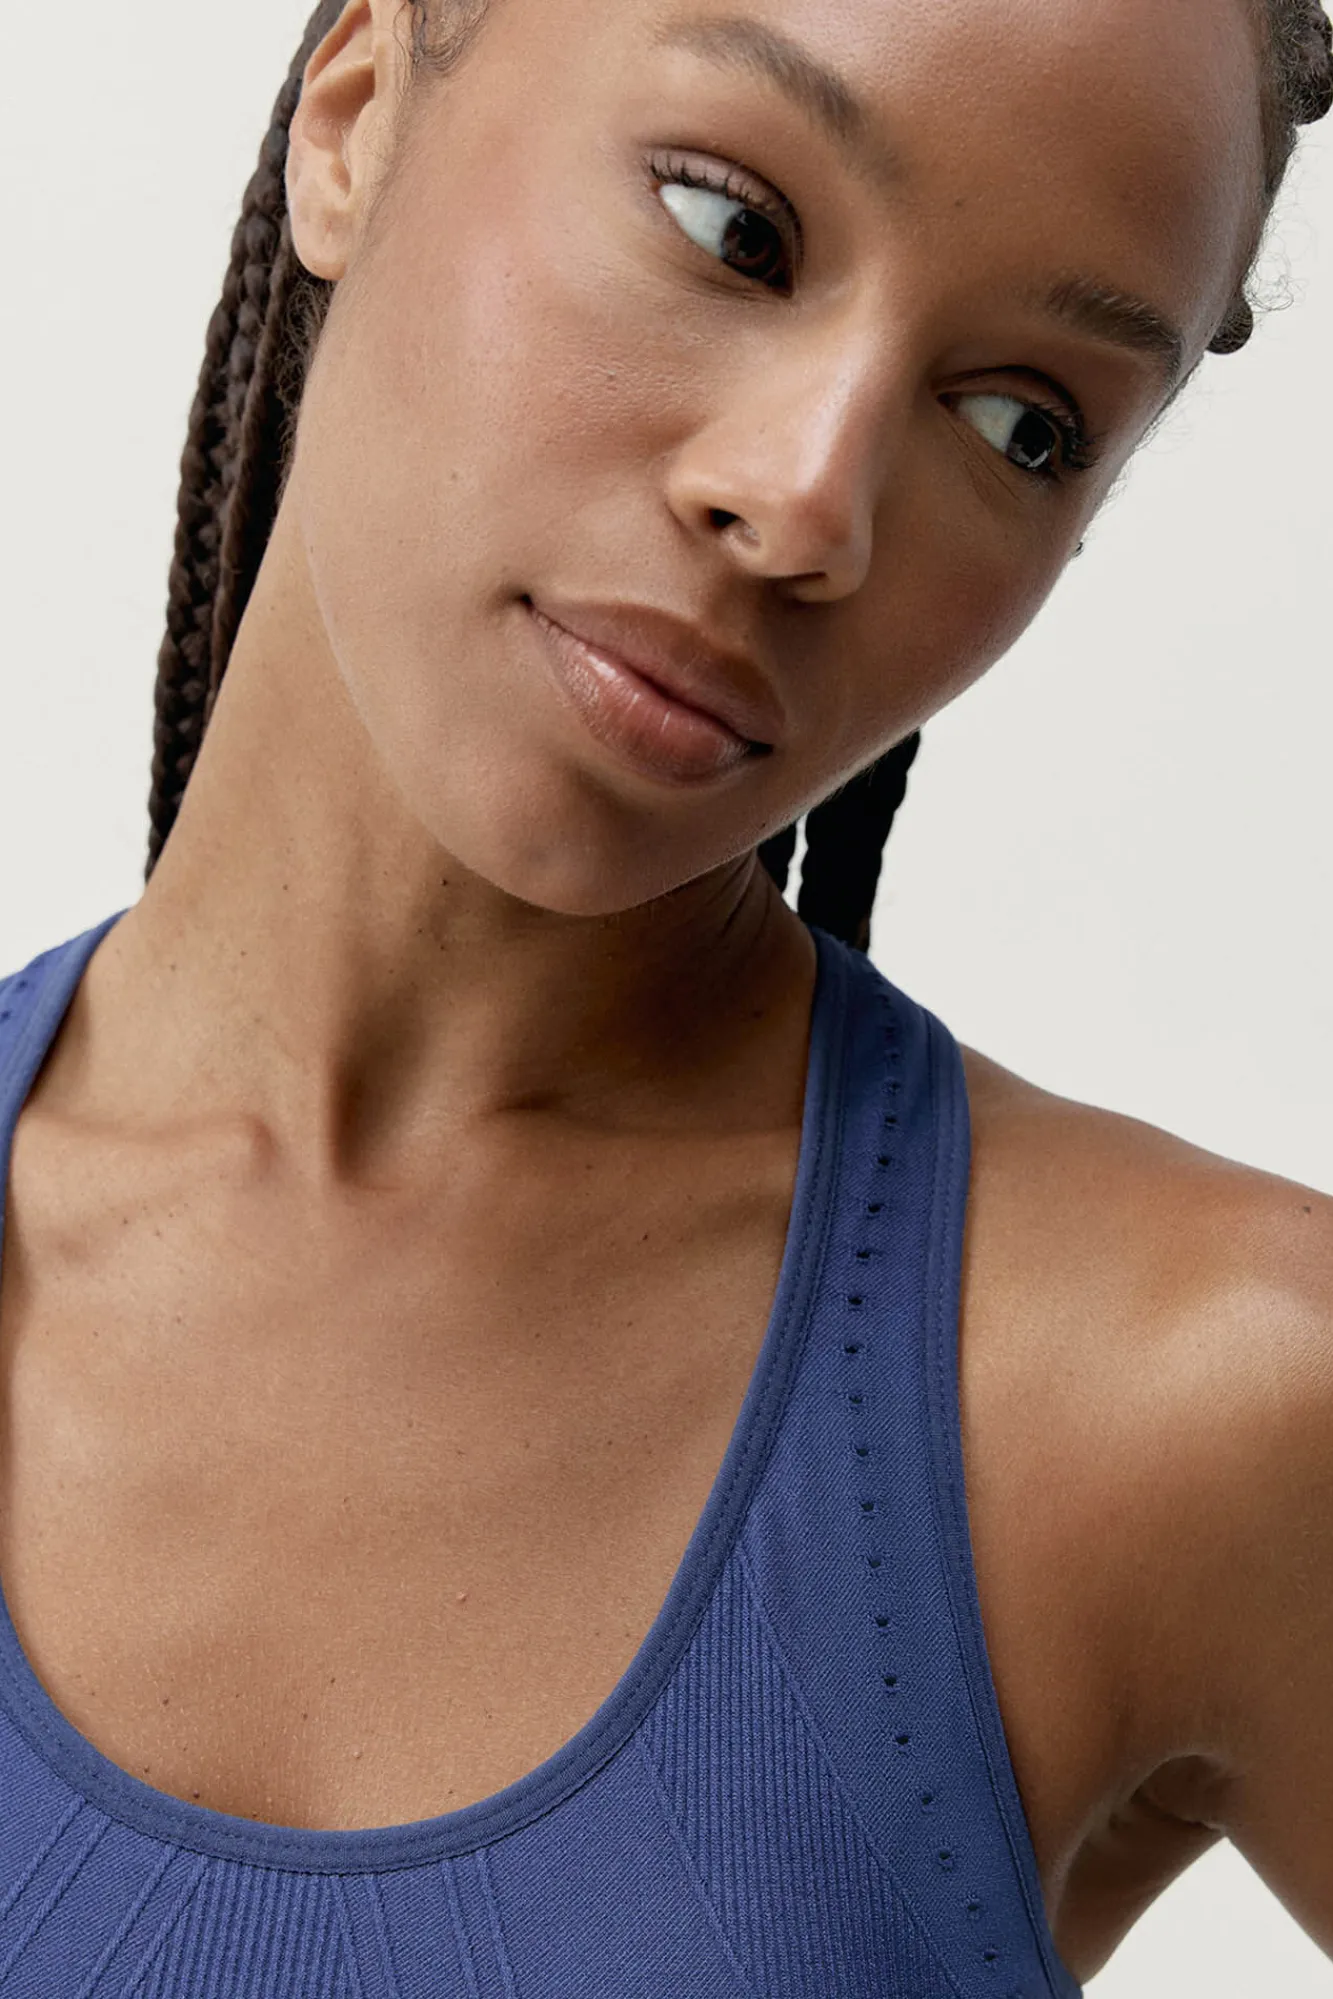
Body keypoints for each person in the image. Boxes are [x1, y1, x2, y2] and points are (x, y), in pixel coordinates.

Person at [0, 0, 1328, 1990]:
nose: (808, 503)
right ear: (353, 115)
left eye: (1020, 424)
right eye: (734, 229)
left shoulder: (1200, 1399)